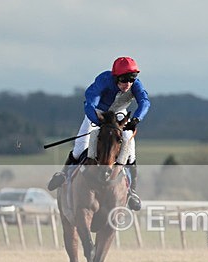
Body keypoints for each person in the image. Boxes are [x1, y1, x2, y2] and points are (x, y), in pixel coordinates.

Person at [47, 56, 151, 211]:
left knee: (129, 144)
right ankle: (64, 175)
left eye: (131, 80)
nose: (127, 84)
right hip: (98, 113)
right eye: (123, 80)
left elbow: (144, 101)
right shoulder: (104, 80)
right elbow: (90, 103)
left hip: (119, 114)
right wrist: (98, 120)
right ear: (115, 77)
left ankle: (132, 191)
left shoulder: (135, 85)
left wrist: (136, 119)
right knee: (80, 144)